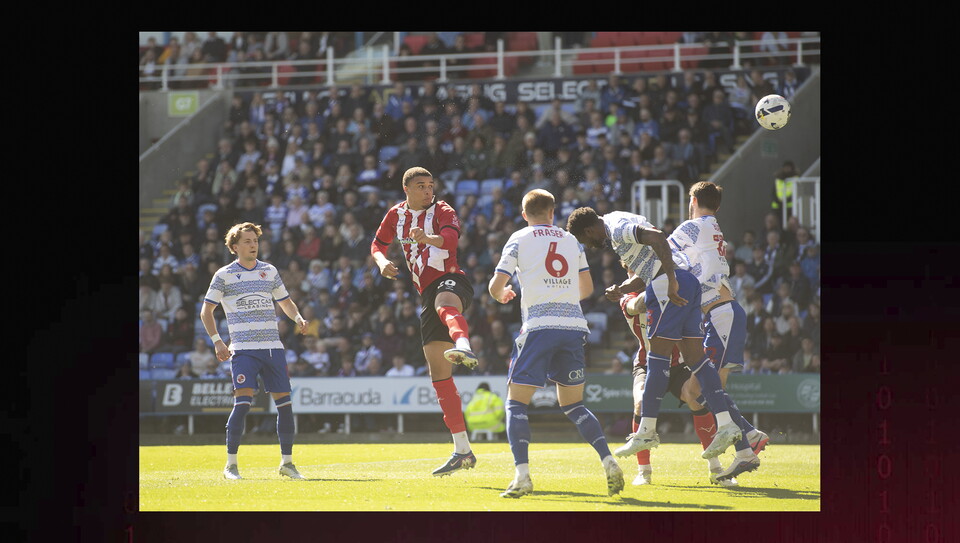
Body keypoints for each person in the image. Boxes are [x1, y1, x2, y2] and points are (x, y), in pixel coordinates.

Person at [566, 206, 745, 466]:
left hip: (669, 284)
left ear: (589, 229)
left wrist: (671, 279)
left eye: (586, 240)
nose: (590, 245)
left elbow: (657, 237)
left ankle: (646, 431)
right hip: (686, 281)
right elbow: (649, 265)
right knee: (697, 358)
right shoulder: (617, 220)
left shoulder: (615, 229)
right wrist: (625, 287)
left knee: (657, 358)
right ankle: (727, 425)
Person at [488, 189, 624, 498]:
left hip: (538, 326)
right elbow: (587, 288)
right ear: (553, 212)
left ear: (525, 214)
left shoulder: (519, 238)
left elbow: (496, 286)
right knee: (574, 404)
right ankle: (608, 460)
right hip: (573, 327)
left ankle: (522, 476)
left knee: (516, 402)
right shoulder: (571, 240)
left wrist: (504, 294)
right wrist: (561, 298)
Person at [370, 166, 480, 476]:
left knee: (445, 302)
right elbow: (377, 244)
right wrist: (381, 262)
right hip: (425, 293)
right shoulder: (396, 215)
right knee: (439, 376)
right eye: (421, 186)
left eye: (431, 185)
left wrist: (426, 237)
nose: (428, 191)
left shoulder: (443, 209)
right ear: (407, 189)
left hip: (451, 279)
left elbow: (449, 242)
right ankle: (462, 451)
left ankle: (463, 344)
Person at [661, 181, 770, 482]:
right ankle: (746, 448)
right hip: (725, 314)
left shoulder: (692, 227)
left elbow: (660, 250)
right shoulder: (712, 227)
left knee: (698, 390)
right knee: (700, 391)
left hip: (722, 315)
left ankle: (747, 436)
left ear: (693, 200)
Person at [200, 222, 308, 481]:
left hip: (273, 349)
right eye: (247, 241)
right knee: (243, 404)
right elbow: (206, 311)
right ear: (234, 247)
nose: (253, 245)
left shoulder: (269, 271)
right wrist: (217, 341)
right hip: (244, 350)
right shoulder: (224, 275)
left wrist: (298, 318)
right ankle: (231, 466)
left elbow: (285, 301)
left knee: (285, 405)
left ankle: (287, 463)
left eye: (255, 241)